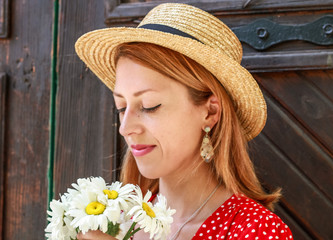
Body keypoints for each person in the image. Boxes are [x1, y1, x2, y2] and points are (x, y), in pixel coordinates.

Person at [74, 3, 293, 240]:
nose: (126, 128)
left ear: (209, 112)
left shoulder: (255, 230)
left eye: (149, 106)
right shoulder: (109, 221)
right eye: (122, 107)